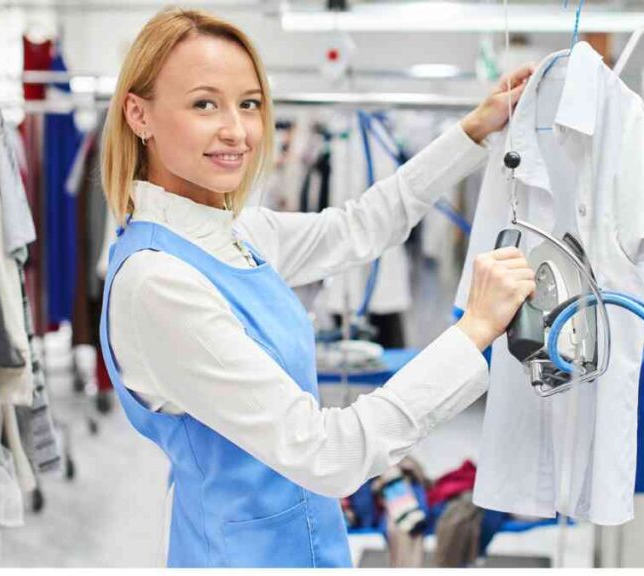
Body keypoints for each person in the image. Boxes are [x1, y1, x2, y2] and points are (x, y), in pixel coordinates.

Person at [99, 7, 536, 567]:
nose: (238, 131)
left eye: (249, 104)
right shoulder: (159, 284)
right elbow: (328, 453)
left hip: (307, 547)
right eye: (204, 103)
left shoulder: (236, 233)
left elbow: (359, 226)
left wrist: (474, 130)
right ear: (139, 114)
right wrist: (472, 330)